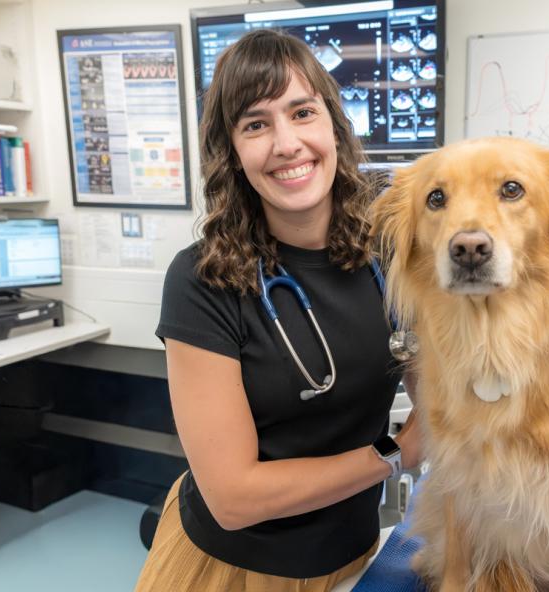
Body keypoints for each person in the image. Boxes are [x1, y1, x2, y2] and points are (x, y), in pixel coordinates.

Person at [134, 29, 422, 592]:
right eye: (256, 124)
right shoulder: (201, 281)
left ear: (334, 126)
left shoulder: (390, 253)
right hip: (232, 569)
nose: (287, 143)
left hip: (355, 554)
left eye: (302, 112)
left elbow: (441, 393)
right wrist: (396, 452)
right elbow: (234, 498)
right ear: (234, 154)